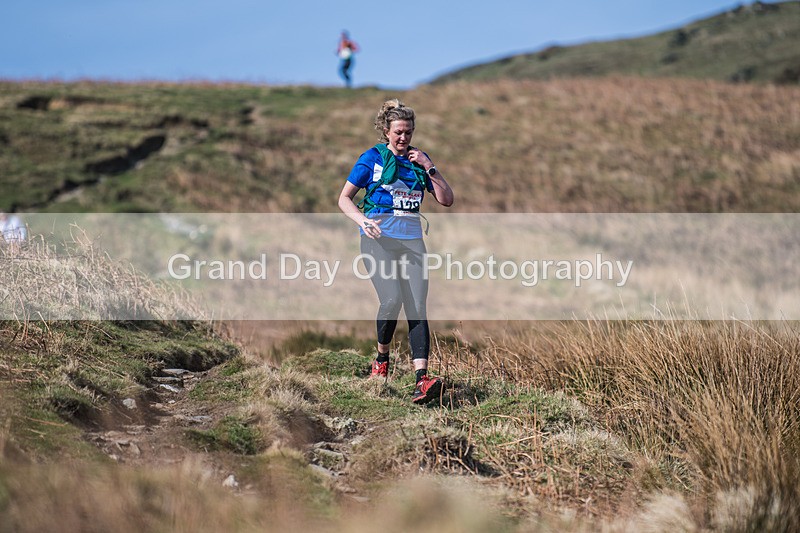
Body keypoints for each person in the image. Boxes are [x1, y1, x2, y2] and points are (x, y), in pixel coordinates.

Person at [338, 99, 454, 405]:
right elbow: (344, 199)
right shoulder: (371, 158)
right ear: (386, 131)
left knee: (417, 306)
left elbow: (446, 199)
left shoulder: (420, 161)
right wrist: (362, 220)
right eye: (399, 132)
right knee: (392, 300)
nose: (404, 138)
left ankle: (422, 380)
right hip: (378, 240)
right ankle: (382, 358)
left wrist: (430, 167)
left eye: (409, 132)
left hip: (412, 242)